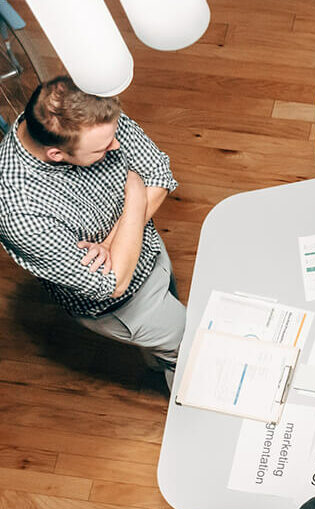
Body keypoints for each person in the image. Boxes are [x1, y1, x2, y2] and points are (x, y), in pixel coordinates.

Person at [0, 76, 183, 389]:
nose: (116, 145)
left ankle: (159, 360)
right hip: (127, 306)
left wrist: (113, 240)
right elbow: (113, 281)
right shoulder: (19, 211)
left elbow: (159, 174)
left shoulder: (88, 114)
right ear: (56, 154)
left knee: (168, 337)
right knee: (190, 351)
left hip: (151, 250)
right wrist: (135, 193)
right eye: (102, 149)